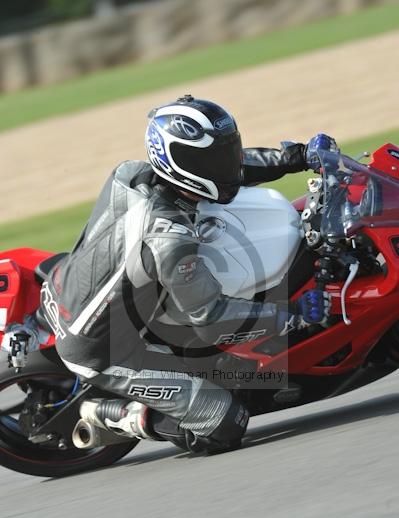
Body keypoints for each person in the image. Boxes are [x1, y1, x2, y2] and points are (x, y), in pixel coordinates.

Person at [4, 95, 334, 454]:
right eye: (212, 158)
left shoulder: (131, 172)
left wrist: (294, 157)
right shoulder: (169, 238)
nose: (229, 162)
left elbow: (233, 169)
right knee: (224, 422)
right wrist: (292, 317)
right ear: (180, 163)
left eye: (227, 150)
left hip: (69, 285)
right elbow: (211, 318)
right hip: (105, 349)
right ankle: (109, 414)